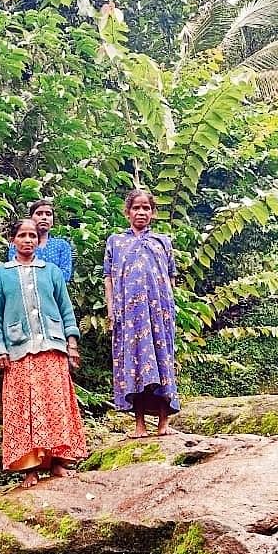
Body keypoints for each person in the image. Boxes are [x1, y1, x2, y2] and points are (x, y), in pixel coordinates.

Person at [0, 218, 87, 487]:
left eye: (32, 235)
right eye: (22, 235)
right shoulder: (1, 274)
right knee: (23, 407)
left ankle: (57, 462)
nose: (28, 240)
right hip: (17, 349)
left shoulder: (51, 271)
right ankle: (29, 469)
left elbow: (66, 309)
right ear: (13, 240)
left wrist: (72, 343)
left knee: (54, 404)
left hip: (52, 347)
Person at [104, 188, 180, 438]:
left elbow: (170, 278)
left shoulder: (163, 241)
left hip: (159, 316)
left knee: (160, 363)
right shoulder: (116, 242)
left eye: (146, 208)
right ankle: (139, 425)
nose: (141, 212)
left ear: (153, 212)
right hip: (129, 317)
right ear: (127, 212)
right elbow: (109, 279)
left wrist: (169, 311)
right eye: (136, 208)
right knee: (133, 364)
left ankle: (163, 422)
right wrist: (111, 310)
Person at [6, 199, 73, 282]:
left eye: (48, 214)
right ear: (31, 218)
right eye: (39, 214)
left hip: (54, 293)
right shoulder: (18, 243)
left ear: (52, 221)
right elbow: (15, 272)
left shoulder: (62, 245)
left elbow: (65, 275)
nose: (44, 217)